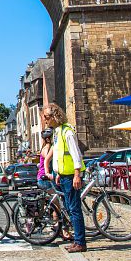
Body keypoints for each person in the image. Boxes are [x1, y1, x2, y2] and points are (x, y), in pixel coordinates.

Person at [44, 102, 86, 253]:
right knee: (69, 208)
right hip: (63, 175)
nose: (45, 120)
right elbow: (59, 155)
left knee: (74, 209)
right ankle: (77, 240)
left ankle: (80, 242)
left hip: (71, 175)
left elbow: (76, 155)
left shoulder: (67, 132)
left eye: (47, 117)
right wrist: (57, 173)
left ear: (56, 116)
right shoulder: (57, 132)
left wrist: (77, 175)